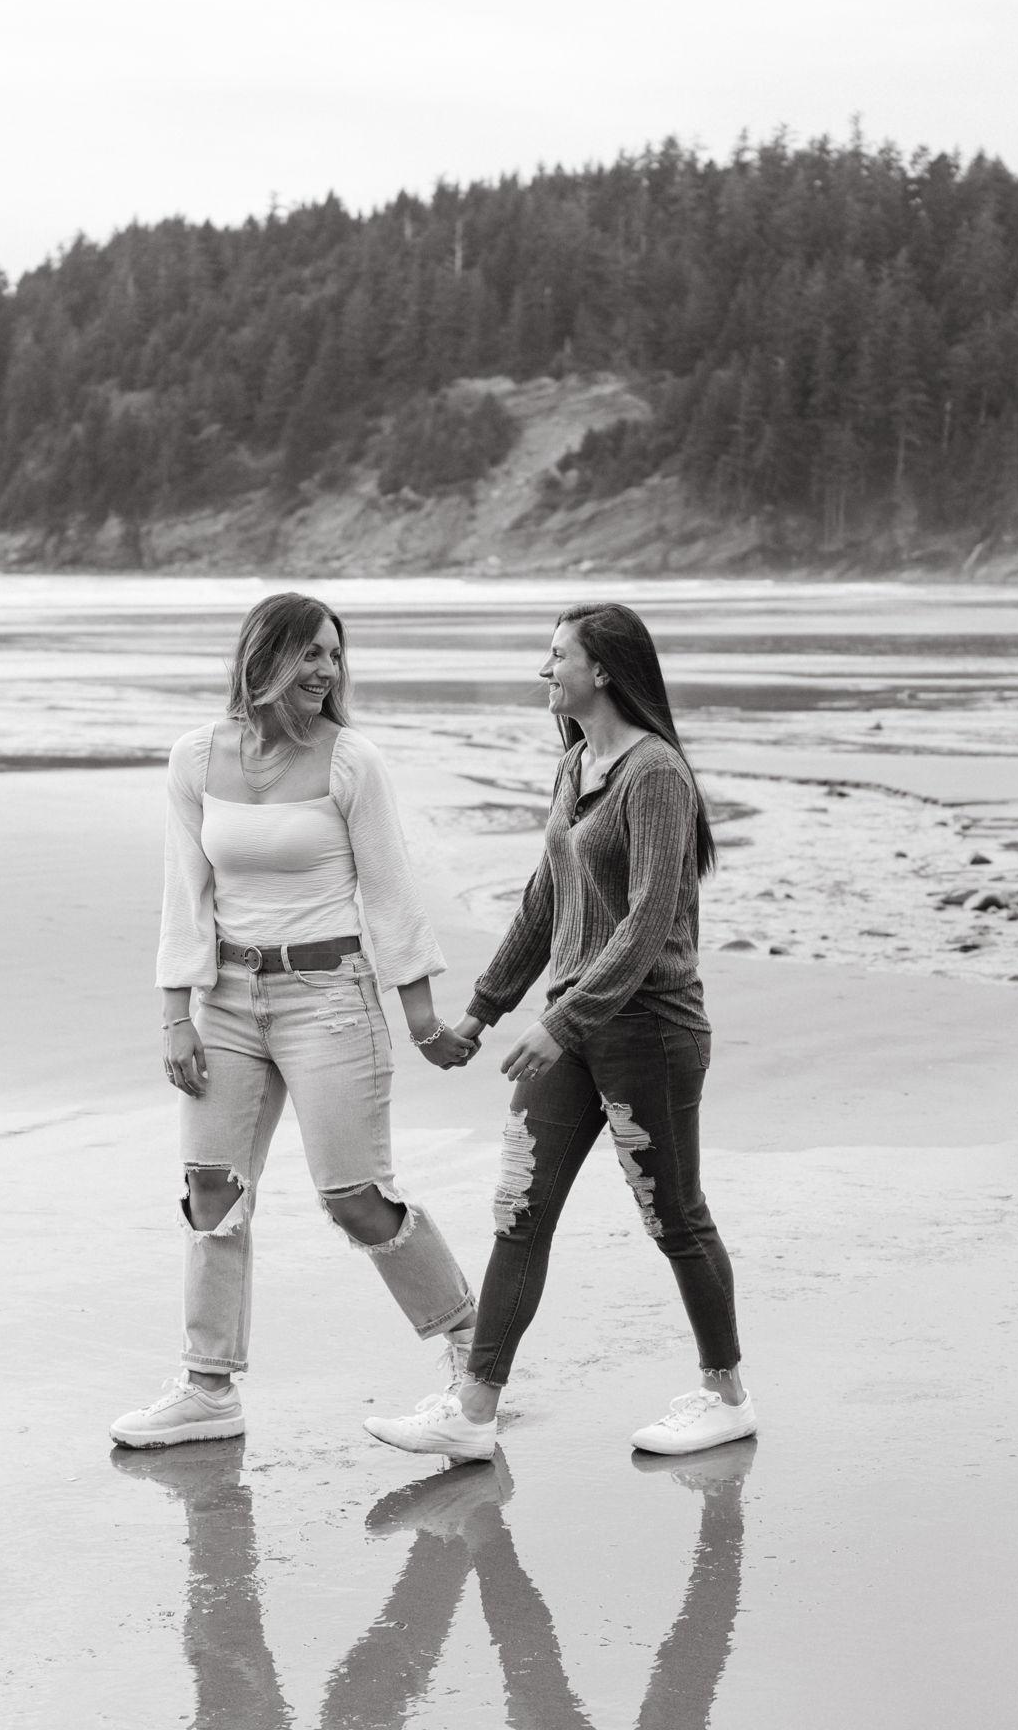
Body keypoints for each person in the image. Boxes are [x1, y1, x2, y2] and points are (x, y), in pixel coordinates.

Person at [366, 602, 754, 1459]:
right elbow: (544, 902)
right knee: (520, 1209)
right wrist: (483, 1009)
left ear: (602, 669)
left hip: (648, 1029)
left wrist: (563, 1018)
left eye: (557, 656)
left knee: (674, 1215)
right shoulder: (576, 763)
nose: (545, 671)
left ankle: (727, 1395)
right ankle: (473, 1410)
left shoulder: (656, 774)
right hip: (572, 1031)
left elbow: (648, 921)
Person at [112, 591, 478, 1449]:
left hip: (330, 998)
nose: (327, 670)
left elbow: (391, 893)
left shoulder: (352, 761)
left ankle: (473, 1350)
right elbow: (184, 892)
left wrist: (424, 1022)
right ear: (264, 656)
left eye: (334, 654)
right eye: (310, 653)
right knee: (212, 1189)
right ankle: (208, 1390)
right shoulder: (195, 758)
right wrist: (175, 1015)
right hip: (226, 1001)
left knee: (355, 1198)